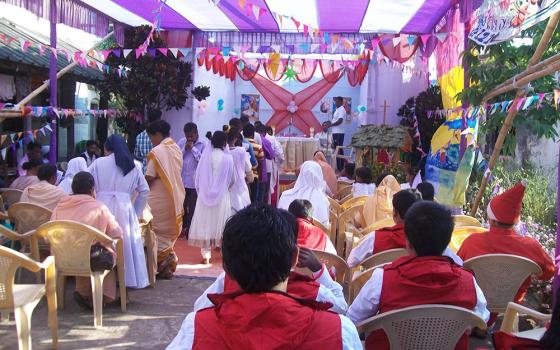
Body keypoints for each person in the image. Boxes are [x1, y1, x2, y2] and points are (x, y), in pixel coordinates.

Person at [167, 204, 362, 350]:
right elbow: (341, 306)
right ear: (294, 258)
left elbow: (200, 307)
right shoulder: (340, 332)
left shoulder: (196, 329)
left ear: (226, 265)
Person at [347, 201, 490, 350]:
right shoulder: (468, 282)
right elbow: (482, 318)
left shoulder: (382, 279)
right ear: (448, 242)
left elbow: (353, 318)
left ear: (407, 242)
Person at [457, 181, 555, 317]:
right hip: (511, 303)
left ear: (492, 220)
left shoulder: (472, 242)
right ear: (516, 222)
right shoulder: (532, 246)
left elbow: (458, 269)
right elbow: (548, 273)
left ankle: (480, 325)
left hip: (477, 300)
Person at [51, 171, 122, 308]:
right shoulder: (99, 208)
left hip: (62, 258)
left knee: (82, 249)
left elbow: (50, 237)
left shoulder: (59, 207)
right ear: (92, 189)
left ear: (73, 189)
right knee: (105, 251)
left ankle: (84, 293)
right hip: (92, 259)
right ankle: (106, 298)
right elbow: (117, 233)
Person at [88, 135, 150, 289]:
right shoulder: (134, 165)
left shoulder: (98, 163)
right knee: (125, 245)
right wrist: (135, 212)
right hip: (125, 209)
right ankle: (125, 281)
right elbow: (144, 191)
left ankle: (103, 283)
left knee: (102, 243)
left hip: (102, 207)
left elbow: (86, 180)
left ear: (107, 148)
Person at [145, 120, 185, 279]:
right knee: (166, 234)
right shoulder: (176, 149)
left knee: (153, 230)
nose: (151, 141)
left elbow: (149, 176)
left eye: (151, 137)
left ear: (158, 134)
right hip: (175, 197)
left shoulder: (158, 151)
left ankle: (162, 262)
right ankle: (165, 262)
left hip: (158, 199)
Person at [189, 131, 234, 264]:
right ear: (225, 143)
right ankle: (224, 252)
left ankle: (206, 255)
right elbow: (232, 180)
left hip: (204, 195)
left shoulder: (205, 157)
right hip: (222, 196)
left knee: (205, 223)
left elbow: (197, 177)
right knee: (223, 224)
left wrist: (203, 190)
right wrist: (224, 188)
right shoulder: (228, 158)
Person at [176, 123, 206, 237]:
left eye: (191, 136)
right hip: (182, 180)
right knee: (181, 206)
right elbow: (177, 158)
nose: (189, 139)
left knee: (192, 207)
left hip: (195, 182)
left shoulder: (203, 144)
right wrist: (185, 149)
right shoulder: (181, 142)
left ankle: (190, 230)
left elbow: (203, 161)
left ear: (196, 133)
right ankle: (181, 228)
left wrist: (193, 149)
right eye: (187, 136)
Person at [278, 161, 330, 225]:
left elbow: (280, 221)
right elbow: (325, 226)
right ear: (319, 175)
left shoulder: (285, 195)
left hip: (288, 233)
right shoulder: (322, 199)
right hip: (314, 234)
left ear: (301, 173)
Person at [227, 128, 252, 213]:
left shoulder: (223, 151)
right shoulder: (241, 151)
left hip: (226, 185)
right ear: (236, 138)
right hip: (240, 183)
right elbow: (248, 167)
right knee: (241, 207)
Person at [243, 123, 263, 202]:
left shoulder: (240, 144)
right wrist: (260, 175)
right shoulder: (258, 147)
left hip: (243, 176)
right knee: (253, 198)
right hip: (254, 175)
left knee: (244, 199)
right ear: (253, 134)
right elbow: (261, 162)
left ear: (243, 133)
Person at [266, 125, 285, 206]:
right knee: (272, 187)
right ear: (270, 132)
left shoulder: (257, 138)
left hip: (261, 165)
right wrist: (277, 162)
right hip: (272, 165)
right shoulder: (273, 139)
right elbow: (280, 155)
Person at [256, 124, 275, 203]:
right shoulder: (265, 140)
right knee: (263, 193)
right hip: (263, 169)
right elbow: (271, 155)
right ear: (264, 133)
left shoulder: (247, 139)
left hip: (251, 170)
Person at [330, 96, 346, 171]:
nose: (335, 103)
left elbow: (340, 121)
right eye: (335, 101)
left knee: (339, 150)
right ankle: (338, 167)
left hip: (339, 132)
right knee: (337, 149)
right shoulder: (337, 109)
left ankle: (341, 167)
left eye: (337, 101)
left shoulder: (342, 109)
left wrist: (331, 125)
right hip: (335, 132)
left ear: (341, 102)